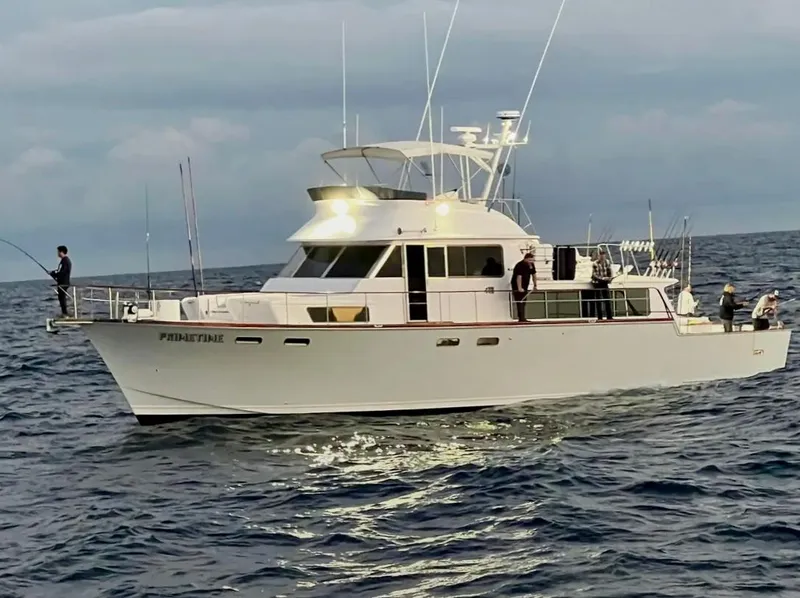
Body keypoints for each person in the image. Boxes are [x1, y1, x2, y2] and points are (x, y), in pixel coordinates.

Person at [511, 252, 537, 322]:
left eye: (532, 260)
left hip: (525, 284)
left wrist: (535, 285)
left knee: (524, 300)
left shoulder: (531, 265)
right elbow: (519, 277)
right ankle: (521, 318)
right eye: (530, 260)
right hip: (517, 285)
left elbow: (534, 274)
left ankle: (522, 317)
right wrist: (519, 287)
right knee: (520, 300)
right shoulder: (520, 265)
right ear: (525, 259)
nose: (531, 262)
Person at [49, 245, 72, 317]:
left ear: (62, 252)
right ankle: (64, 313)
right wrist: (52, 272)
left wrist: (54, 274)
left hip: (64, 283)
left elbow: (62, 272)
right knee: (61, 298)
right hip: (61, 282)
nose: (57, 253)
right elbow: (59, 270)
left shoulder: (65, 261)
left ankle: (65, 314)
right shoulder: (63, 261)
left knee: (62, 298)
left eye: (58, 252)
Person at [591, 249, 614, 320]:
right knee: (599, 300)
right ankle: (600, 317)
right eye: (601, 255)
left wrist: (610, 278)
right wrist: (602, 278)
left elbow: (609, 271)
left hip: (604, 282)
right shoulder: (595, 263)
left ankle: (609, 317)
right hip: (597, 283)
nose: (602, 257)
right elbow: (594, 275)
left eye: (603, 255)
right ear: (598, 256)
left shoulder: (607, 262)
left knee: (607, 299)